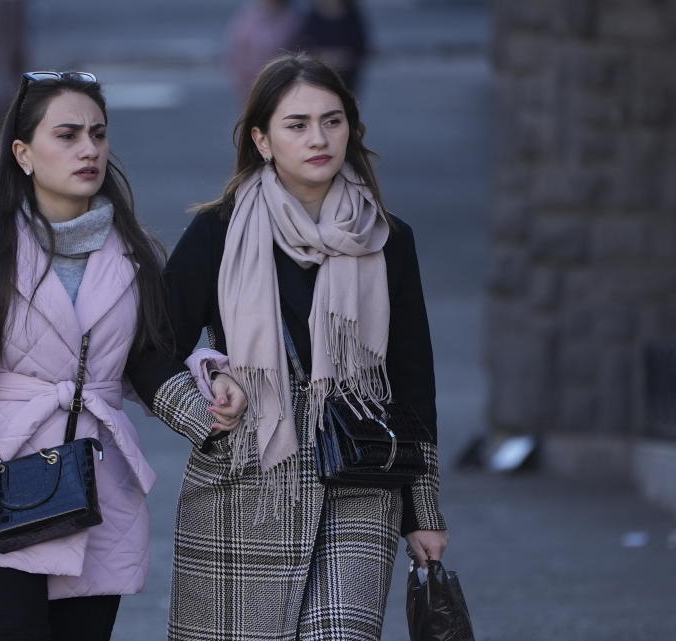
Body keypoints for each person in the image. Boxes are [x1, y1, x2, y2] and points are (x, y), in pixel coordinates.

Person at [0, 71, 246, 641]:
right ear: (24, 153)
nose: (88, 149)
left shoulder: (134, 251)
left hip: (98, 497)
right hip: (3, 495)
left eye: (97, 133)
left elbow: (150, 360)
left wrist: (212, 374)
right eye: (66, 135)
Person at [128, 54, 449, 640]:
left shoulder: (387, 239)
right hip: (244, 488)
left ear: (351, 129)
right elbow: (151, 349)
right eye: (296, 124)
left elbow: (412, 378)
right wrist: (207, 413)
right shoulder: (219, 231)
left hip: (360, 480)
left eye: (332, 121)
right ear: (263, 139)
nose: (318, 138)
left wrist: (422, 513)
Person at [223, 0, 301, 101]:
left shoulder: (296, 20)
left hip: (286, 85)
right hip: (253, 85)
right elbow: (235, 58)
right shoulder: (247, 20)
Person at [294, 0, 371, 96]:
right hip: (318, 76)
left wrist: (344, 57)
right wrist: (321, 57)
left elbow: (361, 46)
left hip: (347, 77)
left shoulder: (352, 16)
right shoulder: (311, 17)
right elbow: (303, 46)